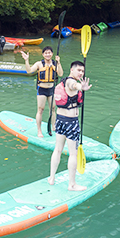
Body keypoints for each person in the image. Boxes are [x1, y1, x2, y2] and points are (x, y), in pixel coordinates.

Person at [49, 60, 91, 192]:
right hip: (71, 122)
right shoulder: (70, 81)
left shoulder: (63, 81)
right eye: (79, 70)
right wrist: (81, 88)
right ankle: (72, 184)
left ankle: (51, 178)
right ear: (72, 70)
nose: (81, 73)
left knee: (58, 150)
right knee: (73, 154)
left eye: (83, 71)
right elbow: (74, 86)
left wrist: (80, 86)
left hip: (60, 120)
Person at [21, 46, 63, 137]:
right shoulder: (39, 64)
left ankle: (54, 127)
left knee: (52, 109)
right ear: (43, 54)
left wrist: (58, 62)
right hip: (42, 89)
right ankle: (39, 130)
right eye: (46, 53)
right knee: (40, 110)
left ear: (52, 54)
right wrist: (26, 60)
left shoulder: (55, 64)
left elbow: (60, 74)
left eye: (49, 52)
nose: (48, 54)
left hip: (52, 89)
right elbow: (29, 71)